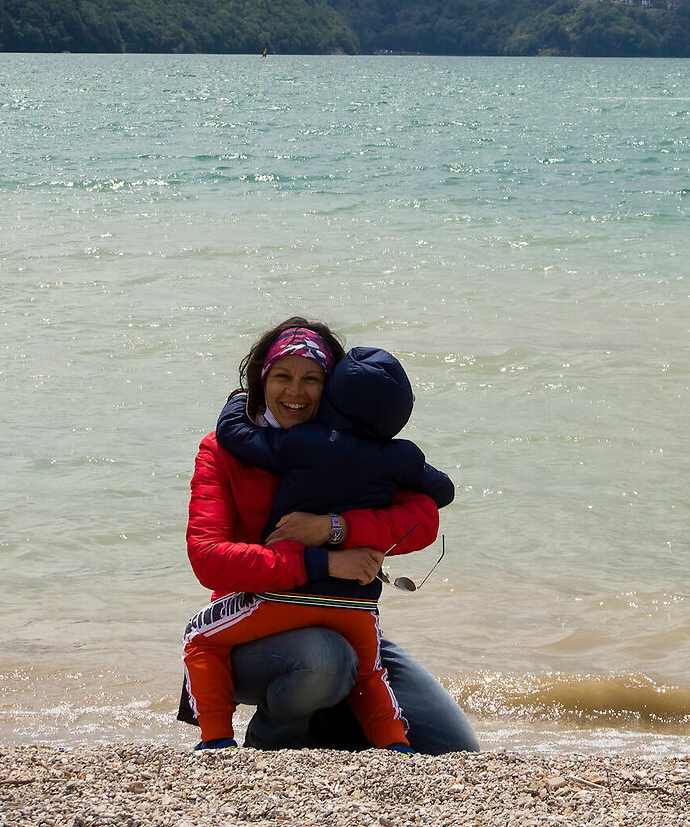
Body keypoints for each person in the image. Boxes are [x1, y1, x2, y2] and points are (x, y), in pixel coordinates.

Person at [184, 318, 478, 754]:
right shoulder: (224, 450)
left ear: (335, 388)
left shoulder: (353, 448)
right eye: (282, 376)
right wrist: (323, 562)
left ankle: (331, 727)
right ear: (261, 380)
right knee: (328, 661)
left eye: (312, 379)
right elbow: (209, 559)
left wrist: (335, 528)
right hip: (259, 620)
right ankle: (270, 744)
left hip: (342, 613)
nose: (295, 392)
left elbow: (423, 519)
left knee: (452, 747)